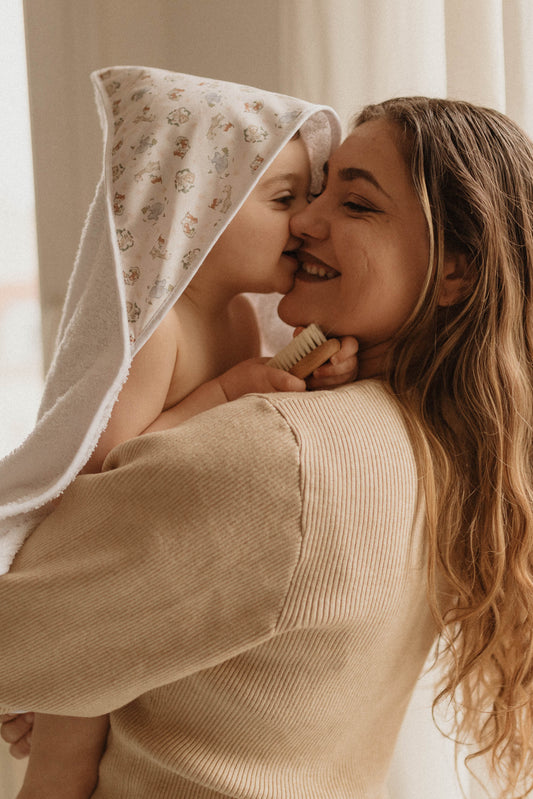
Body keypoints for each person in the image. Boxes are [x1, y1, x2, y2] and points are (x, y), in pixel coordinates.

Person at [1, 94, 533, 798]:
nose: (305, 221)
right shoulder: (446, 451)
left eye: (357, 205)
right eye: (311, 193)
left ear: (454, 271)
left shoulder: (278, 459)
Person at [0, 67, 351, 799]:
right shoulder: (157, 335)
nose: (304, 222)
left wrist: (315, 370)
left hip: (161, 575)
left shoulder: (237, 319)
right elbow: (105, 477)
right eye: (284, 198)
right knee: (64, 763)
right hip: (95, 583)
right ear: (199, 206)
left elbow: (252, 415)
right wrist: (226, 390)